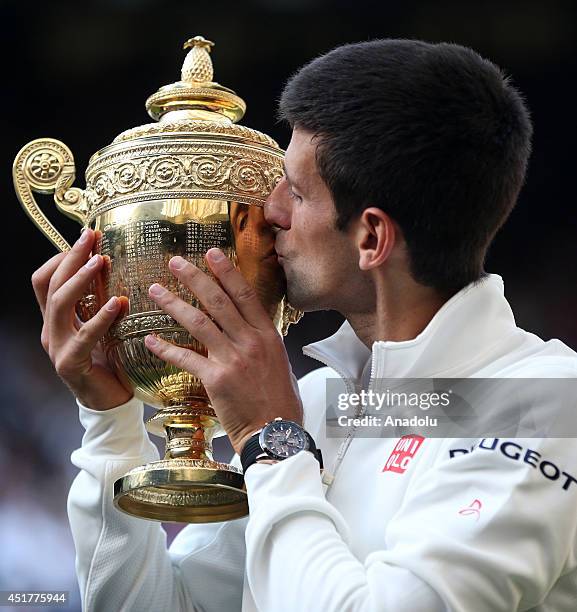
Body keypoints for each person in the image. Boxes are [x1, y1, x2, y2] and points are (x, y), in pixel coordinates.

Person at [32, 39, 577, 611]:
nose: (270, 213)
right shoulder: (320, 404)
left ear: (371, 237)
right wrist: (109, 423)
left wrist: (272, 443)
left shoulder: (543, 401)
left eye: (294, 190)